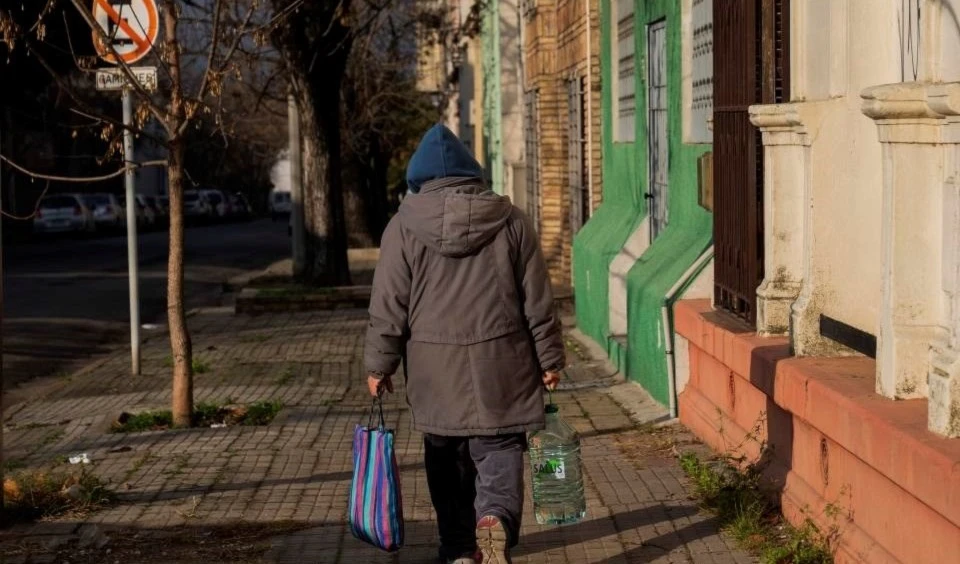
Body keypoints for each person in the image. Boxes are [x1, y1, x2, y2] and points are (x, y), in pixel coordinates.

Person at [364, 124, 565, 564]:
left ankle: (457, 549)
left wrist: (380, 366)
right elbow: (537, 298)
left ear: (418, 179)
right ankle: (493, 519)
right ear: (473, 173)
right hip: (502, 362)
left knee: (444, 456)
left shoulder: (402, 228)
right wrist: (549, 358)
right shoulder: (511, 220)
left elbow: (389, 303)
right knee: (499, 449)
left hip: (435, 369)